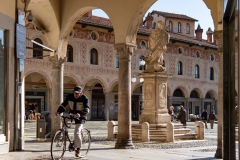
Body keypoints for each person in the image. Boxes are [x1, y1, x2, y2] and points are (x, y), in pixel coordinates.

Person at [56, 86, 90, 157]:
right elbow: (64, 105)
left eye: (78, 93)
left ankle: (78, 149)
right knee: (64, 122)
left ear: (81, 93)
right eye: (75, 93)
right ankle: (64, 135)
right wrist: (58, 111)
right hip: (71, 115)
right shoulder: (69, 97)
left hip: (81, 116)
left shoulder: (84, 98)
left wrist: (80, 114)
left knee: (77, 132)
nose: (76, 95)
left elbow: (87, 109)